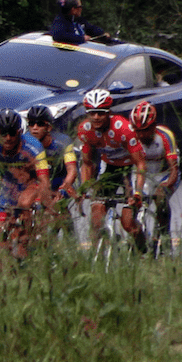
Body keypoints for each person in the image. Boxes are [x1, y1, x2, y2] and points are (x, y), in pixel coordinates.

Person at [0, 108, 53, 262]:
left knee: (24, 203)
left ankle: (25, 242)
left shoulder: (34, 147)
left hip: (31, 183)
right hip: (9, 184)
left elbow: (44, 181)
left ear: (19, 132)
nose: (8, 138)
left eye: (12, 133)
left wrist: (40, 200)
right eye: (3, 133)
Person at [77, 89, 150, 251]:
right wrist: (84, 188)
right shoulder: (85, 130)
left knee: (127, 222)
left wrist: (137, 193)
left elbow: (140, 164)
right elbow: (87, 164)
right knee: (96, 219)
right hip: (108, 168)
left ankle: (144, 249)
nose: (96, 117)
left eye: (101, 113)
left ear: (109, 112)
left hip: (129, 169)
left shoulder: (123, 129)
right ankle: (97, 259)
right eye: (92, 112)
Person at [129, 100, 179, 250]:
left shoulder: (165, 136)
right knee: (133, 206)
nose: (141, 135)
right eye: (137, 130)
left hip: (164, 174)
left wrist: (165, 186)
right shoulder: (130, 137)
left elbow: (174, 170)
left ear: (153, 126)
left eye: (145, 130)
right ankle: (141, 243)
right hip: (142, 175)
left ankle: (164, 235)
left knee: (159, 199)